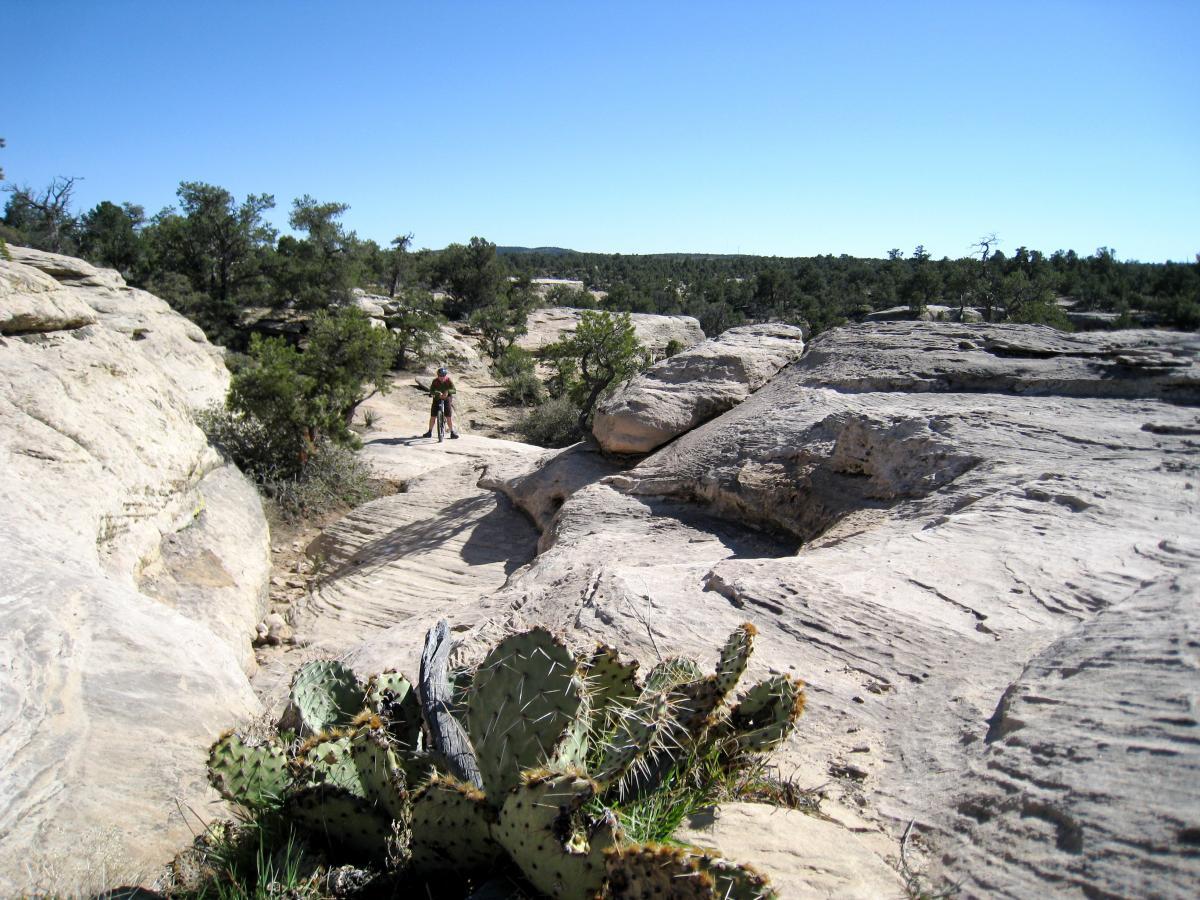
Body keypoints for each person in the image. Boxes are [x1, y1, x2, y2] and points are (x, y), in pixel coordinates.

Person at [423, 366, 459, 438]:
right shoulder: (435, 381)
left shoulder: (448, 380)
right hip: (437, 398)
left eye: (443, 376)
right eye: (440, 376)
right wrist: (437, 393)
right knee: (433, 416)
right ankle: (429, 432)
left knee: (448, 416)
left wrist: (447, 391)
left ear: (445, 375)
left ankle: (452, 432)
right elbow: (431, 390)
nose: (441, 377)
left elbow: (454, 390)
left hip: (447, 398)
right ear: (438, 375)